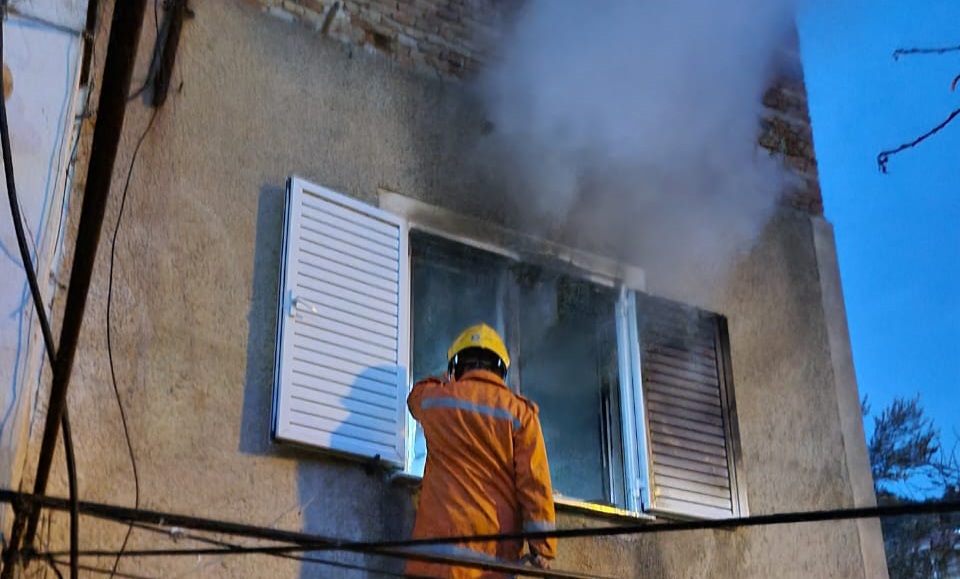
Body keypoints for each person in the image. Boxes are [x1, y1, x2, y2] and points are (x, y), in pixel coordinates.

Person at [406, 324, 557, 578]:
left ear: (457, 365)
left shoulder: (435, 400)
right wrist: (543, 547)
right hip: (492, 565)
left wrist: (447, 379)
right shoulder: (520, 414)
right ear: (500, 369)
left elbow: (414, 397)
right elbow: (534, 484)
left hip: (433, 564)